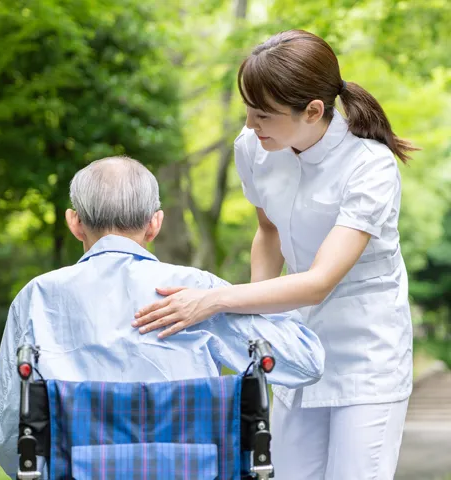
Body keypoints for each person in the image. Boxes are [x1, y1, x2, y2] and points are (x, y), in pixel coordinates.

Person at [132, 30, 415, 480]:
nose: (250, 124)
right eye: (248, 109)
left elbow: (321, 280)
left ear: (313, 111)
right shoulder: (255, 149)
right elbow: (268, 231)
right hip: (296, 346)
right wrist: (259, 324)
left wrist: (216, 300)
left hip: (366, 354)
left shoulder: (370, 167)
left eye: (263, 114)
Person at [0, 155, 325, 478]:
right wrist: (220, 300)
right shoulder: (198, 293)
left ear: (74, 223)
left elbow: (6, 434)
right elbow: (305, 361)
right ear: (155, 224)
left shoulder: (37, 297)